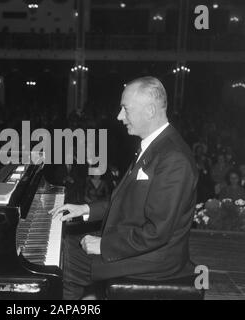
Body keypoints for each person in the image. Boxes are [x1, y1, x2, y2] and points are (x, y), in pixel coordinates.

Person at [50, 76, 198, 300]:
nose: (120, 117)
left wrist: (105, 245)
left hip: (156, 260)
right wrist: (85, 209)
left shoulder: (173, 158)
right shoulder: (154, 147)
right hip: (141, 244)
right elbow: (127, 199)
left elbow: (157, 232)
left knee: (63, 262)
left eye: (125, 109)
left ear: (149, 110)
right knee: (66, 245)